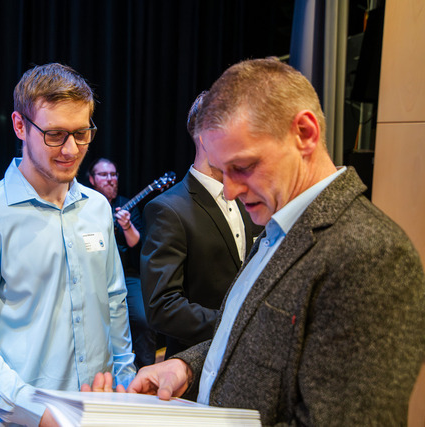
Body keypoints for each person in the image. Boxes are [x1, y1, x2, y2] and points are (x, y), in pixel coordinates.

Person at [125, 58, 425, 425]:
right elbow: (258, 338)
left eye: (242, 167)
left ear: (304, 134)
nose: (230, 191)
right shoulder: (278, 225)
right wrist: (189, 366)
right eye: (222, 170)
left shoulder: (371, 253)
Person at [0, 63, 136, 426]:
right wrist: (33, 410)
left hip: (99, 408)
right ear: (19, 125)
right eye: (55, 134)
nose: (71, 149)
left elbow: (113, 299)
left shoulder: (97, 208)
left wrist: (124, 380)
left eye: (81, 133)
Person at [140, 91, 255, 359]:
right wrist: (235, 326)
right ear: (205, 137)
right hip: (196, 362)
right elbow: (163, 307)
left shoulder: (249, 200)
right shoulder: (167, 209)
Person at [88, 158, 156, 369]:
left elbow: (138, 244)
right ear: (92, 179)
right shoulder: (85, 206)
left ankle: (145, 371)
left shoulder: (127, 205)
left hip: (127, 274)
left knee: (144, 320)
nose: (110, 179)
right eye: (103, 174)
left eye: (113, 174)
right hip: (94, 275)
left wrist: (126, 226)